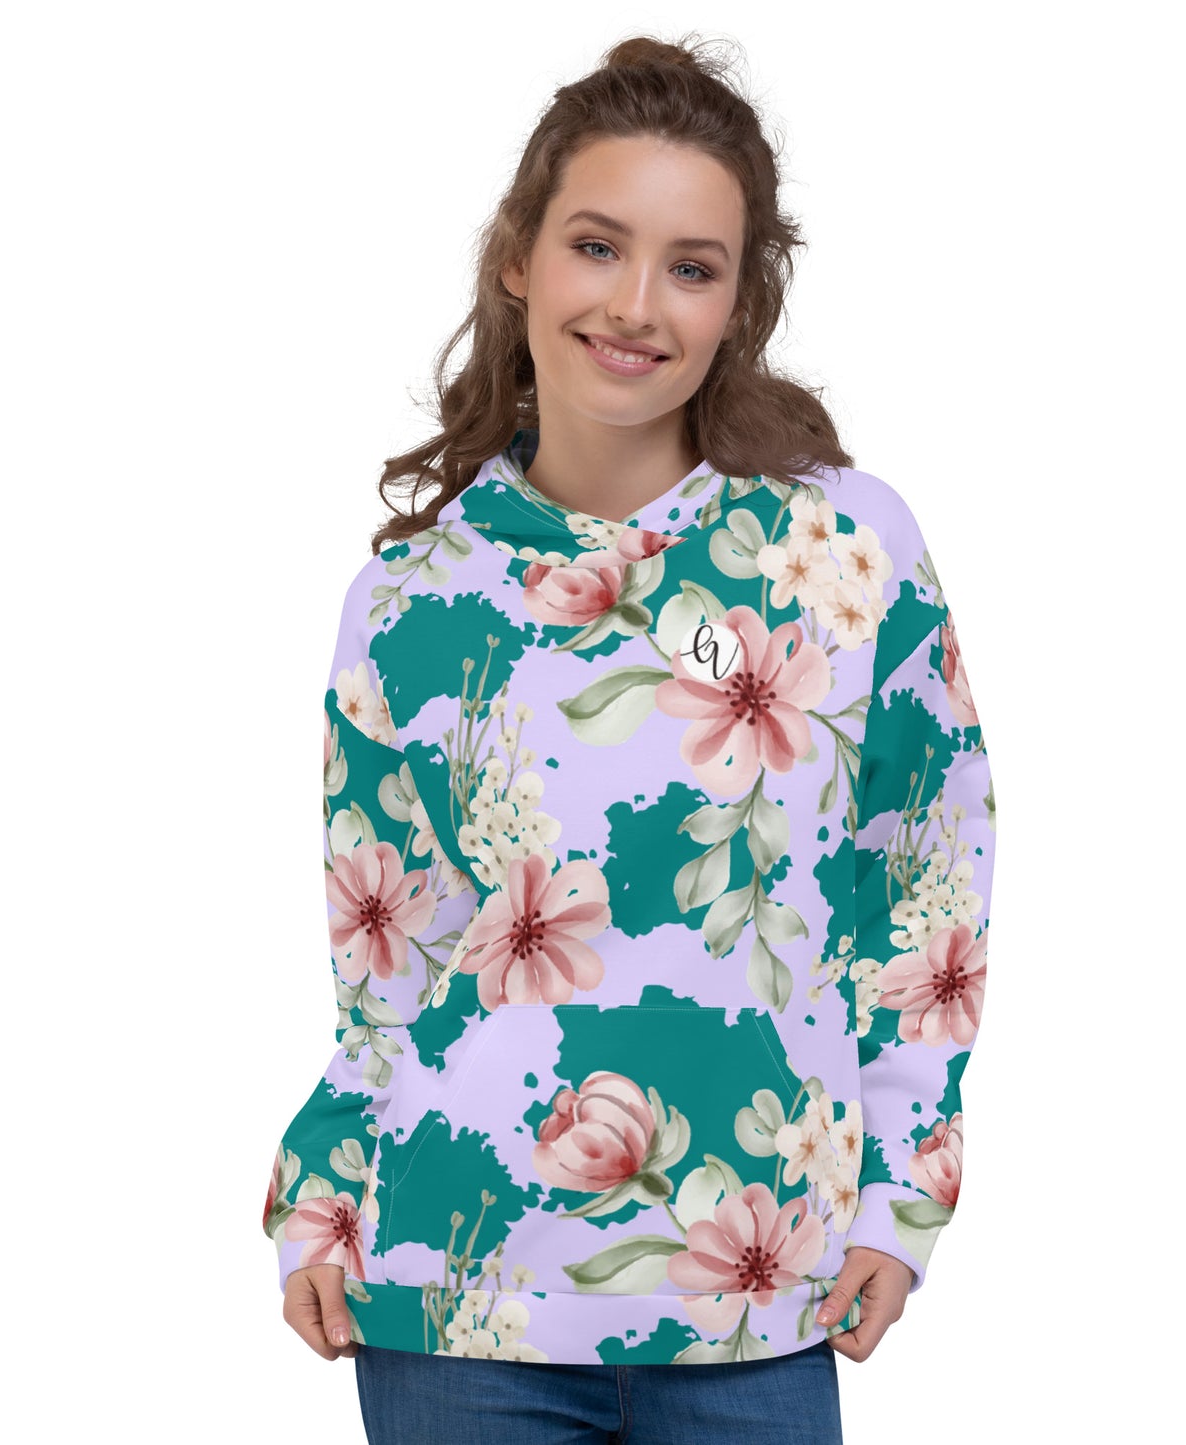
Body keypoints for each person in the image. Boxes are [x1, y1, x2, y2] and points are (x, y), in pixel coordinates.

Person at [260, 31, 995, 1445]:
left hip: (757, 1291)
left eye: (691, 266)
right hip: (452, 1297)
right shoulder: (407, 600)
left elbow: (928, 875)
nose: (636, 305)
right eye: (597, 246)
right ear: (518, 259)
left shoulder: (842, 550)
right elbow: (382, 961)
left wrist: (904, 1194)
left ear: (740, 303)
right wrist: (325, 1197)